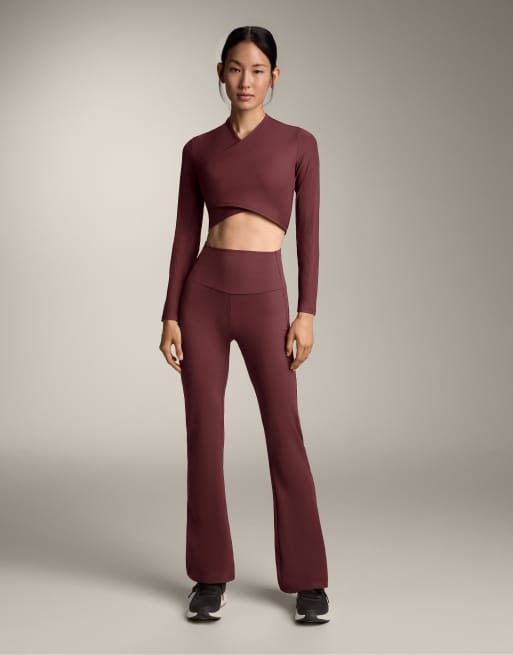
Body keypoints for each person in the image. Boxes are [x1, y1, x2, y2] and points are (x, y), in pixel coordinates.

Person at [159, 26, 330, 624]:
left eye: (257, 70)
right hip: (203, 297)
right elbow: (185, 232)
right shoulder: (198, 149)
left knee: (285, 434)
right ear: (220, 73)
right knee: (204, 438)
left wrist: (306, 311)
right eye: (235, 69)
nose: (246, 81)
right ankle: (209, 575)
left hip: (266, 301)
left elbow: (309, 234)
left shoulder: (299, 144)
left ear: (274, 77)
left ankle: (309, 581)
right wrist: (170, 313)